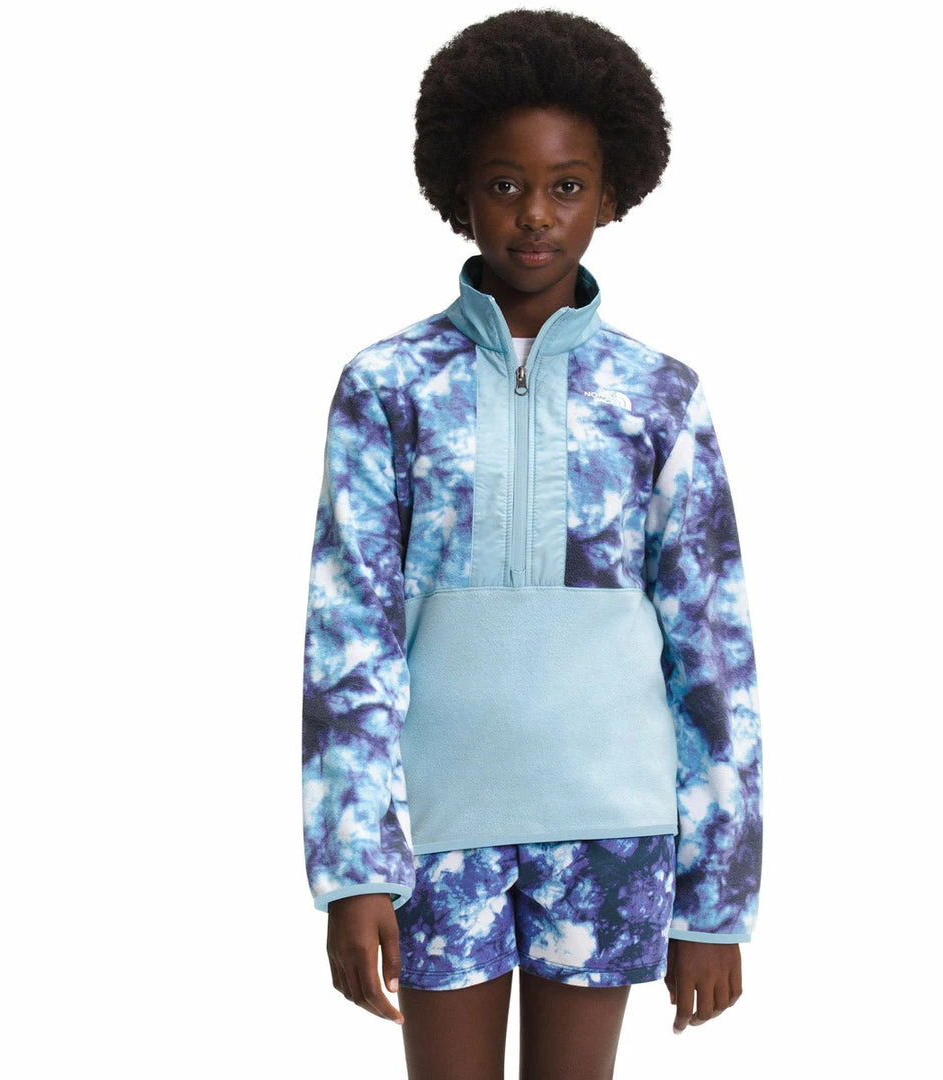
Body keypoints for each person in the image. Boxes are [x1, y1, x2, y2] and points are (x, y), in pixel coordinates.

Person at [302, 10, 763, 1078]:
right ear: (459, 192)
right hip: (436, 825)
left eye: (567, 186)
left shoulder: (661, 396)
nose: (536, 214)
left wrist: (716, 900)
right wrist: (352, 868)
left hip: (613, 827)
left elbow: (714, 655)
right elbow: (346, 635)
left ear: (611, 195)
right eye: (506, 184)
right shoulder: (387, 386)